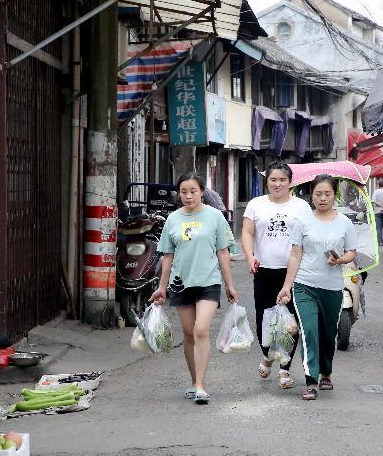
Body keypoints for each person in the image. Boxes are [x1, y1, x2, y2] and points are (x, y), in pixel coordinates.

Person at [149, 172, 239, 404]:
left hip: (208, 282)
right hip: (180, 283)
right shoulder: (173, 219)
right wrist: (162, 287)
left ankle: (200, 385)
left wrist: (229, 285)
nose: (188, 196)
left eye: (193, 191)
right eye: (183, 192)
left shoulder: (215, 217)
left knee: (201, 329)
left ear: (202, 192)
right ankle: (193, 381)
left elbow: (223, 251)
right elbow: (167, 255)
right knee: (189, 334)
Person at [277, 174, 358, 401]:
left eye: (327, 194)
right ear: (311, 195)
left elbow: (352, 251)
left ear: (335, 195)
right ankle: (311, 380)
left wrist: (341, 259)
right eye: (318, 194)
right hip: (305, 285)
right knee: (309, 331)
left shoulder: (345, 223)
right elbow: (295, 255)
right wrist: (287, 286)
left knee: (327, 334)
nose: (322, 198)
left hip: (332, 288)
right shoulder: (302, 221)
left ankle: (325, 371)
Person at [241, 160, 312, 389]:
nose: (277, 184)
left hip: (292, 271)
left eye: (282, 180)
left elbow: (307, 236)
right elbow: (247, 231)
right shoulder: (256, 204)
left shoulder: (301, 206)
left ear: (290, 182)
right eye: (273, 179)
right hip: (263, 270)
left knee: (290, 322)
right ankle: (268, 355)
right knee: (265, 318)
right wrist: (250, 255)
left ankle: (284, 368)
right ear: (267, 181)